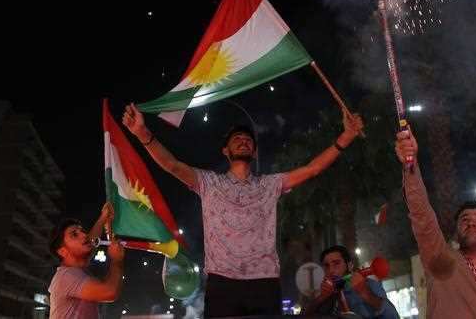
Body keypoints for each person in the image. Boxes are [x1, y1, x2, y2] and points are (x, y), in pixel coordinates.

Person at [122, 103, 364, 318]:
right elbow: (172, 166)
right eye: (237, 138)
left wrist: (346, 137)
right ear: (225, 151)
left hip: (264, 283)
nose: (244, 141)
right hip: (222, 284)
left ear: (255, 152)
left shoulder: (270, 184)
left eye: (248, 140)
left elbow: (312, 169)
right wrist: (142, 133)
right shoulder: (208, 182)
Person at [395, 128, 476, 319]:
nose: (472, 223)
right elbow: (422, 216)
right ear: (457, 235)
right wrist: (410, 164)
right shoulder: (443, 262)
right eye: (465, 220)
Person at [48, 203, 125, 319]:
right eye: (74, 234)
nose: (84, 234)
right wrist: (116, 261)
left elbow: (90, 241)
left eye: (82, 231)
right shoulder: (67, 276)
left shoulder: (75, 271)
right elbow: (110, 292)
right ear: (62, 251)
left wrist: (104, 217)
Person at [304, 245, 399, 318]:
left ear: (349, 266)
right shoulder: (325, 292)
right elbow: (304, 316)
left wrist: (366, 293)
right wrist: (321, 298)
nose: (331, 270)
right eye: (326, 266)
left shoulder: (369, 285)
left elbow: (393, 316)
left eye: (336, 263)